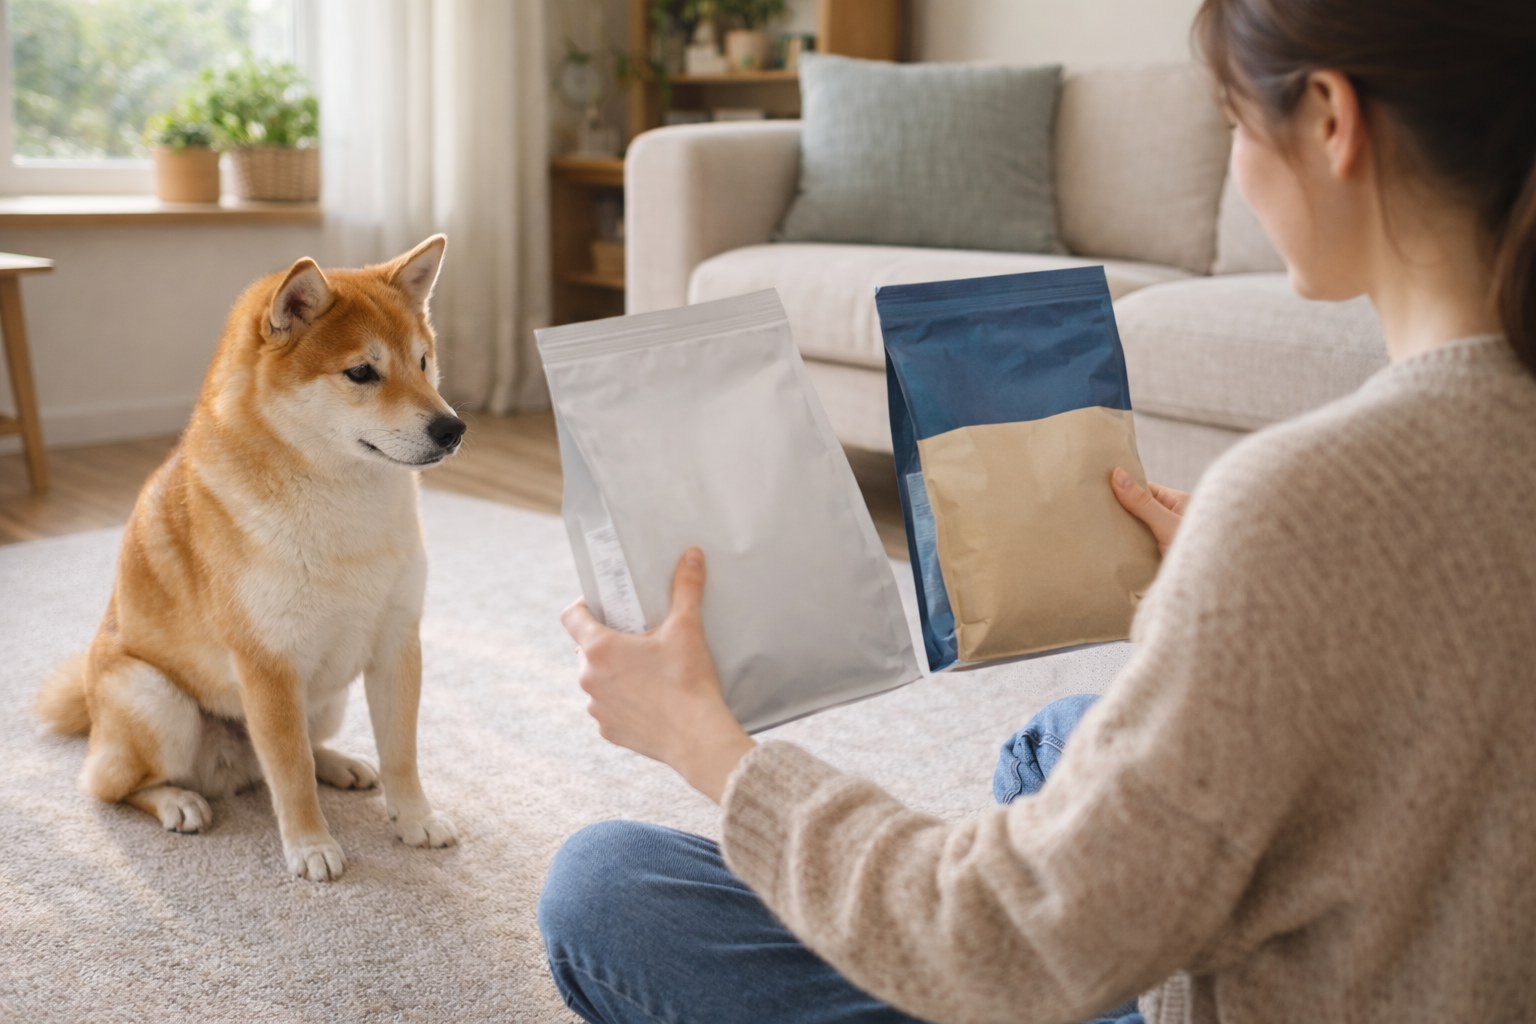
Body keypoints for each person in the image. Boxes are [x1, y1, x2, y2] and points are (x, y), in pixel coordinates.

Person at [538, 0, 1536, 1020]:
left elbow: (999, 942)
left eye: (1236, 123)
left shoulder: (1299, 501)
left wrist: (704, 741)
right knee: (1055, 739)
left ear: (1330, 119)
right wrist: (1238, 604)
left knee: (606, 890)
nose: (1237, 162)